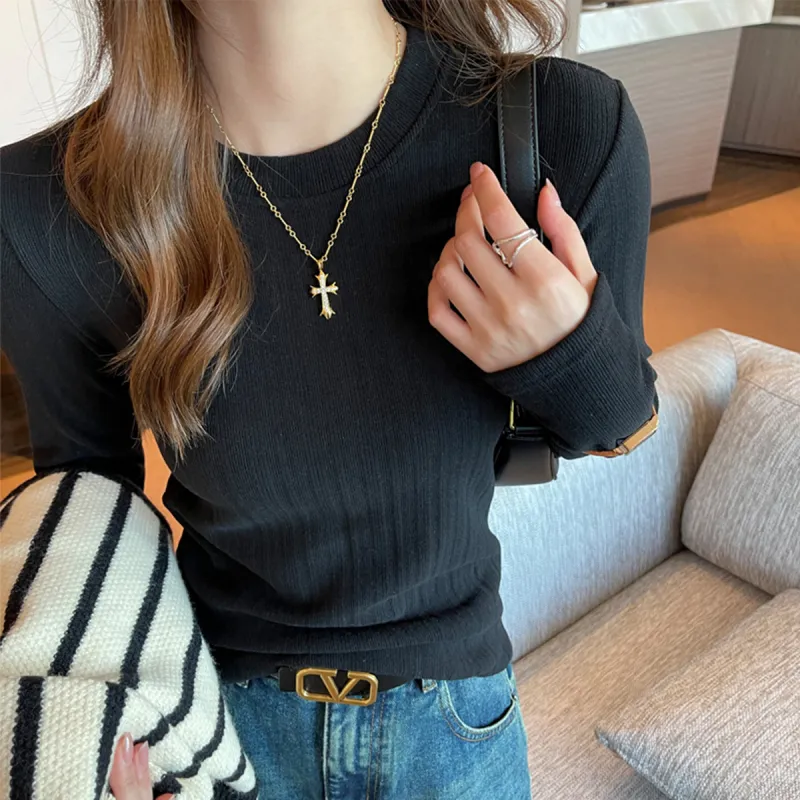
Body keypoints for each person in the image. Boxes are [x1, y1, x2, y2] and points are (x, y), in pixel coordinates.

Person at [0, 0, 658, 797]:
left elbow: (617, 424)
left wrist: (565, 350)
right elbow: (86, 511)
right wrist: (85, 743)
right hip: (218, 739)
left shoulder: (558, 127)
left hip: (455, 736)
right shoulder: (44, 198)